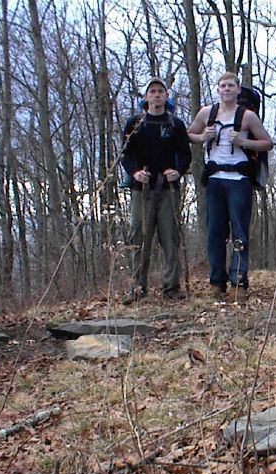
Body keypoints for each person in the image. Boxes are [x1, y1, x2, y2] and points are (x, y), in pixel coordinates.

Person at [187, 72, 273, 301]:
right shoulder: (207, 113)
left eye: (231, 86)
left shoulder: (248, 116)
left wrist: (244, 141)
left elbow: (267, 143)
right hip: (215, 179)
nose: (226, 89)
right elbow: (189, 134)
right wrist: (203, 137)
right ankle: (217, 283)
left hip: (239, 180)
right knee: (215, 233)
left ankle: (239, 282)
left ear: (238, 90)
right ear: (217, 89)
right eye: (223, 85)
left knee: (239, 232)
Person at [120, 77, 192, 305]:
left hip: (168, 190)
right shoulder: (135, 123)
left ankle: (171, 287)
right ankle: (137, 288)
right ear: (146, 97)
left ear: (166, 96)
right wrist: (134, 173)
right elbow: (126, 153)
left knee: (170, 238)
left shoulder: (175, 124)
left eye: (161, 91)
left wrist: (178, 171)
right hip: (141, 190)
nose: (157, 95)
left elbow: (185, 154)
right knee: (139, 237)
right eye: (152, 91)